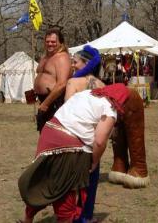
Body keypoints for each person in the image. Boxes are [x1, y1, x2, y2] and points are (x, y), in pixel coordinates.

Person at [18, 83, 130, 223]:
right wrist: (94, 162)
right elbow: (100, 142)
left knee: (45, 180)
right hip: (70, 146)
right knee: (68, 191)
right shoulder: (109, 109)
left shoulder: (88, 93)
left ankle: (27, 218)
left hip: (49, 134)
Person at [65, 45, 104, 223]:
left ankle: (74, 217)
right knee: (92, 176)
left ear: (86, 64)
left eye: (75, 62)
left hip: (74, 137)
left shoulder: (73, 83)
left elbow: (68, 109)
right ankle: (86, 216)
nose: (72, 65)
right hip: (94, 138)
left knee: (73, 180)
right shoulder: (102, 85)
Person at [33, 28, 71, 132]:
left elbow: (62, 84)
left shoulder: (62, 57)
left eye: (53, 42)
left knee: (53, 135)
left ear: (61, 43)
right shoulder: (45, 57)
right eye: (47, 41)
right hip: (42, 100)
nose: (50, 44)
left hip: (54, 102)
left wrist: (46, 103)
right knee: (43, 133)